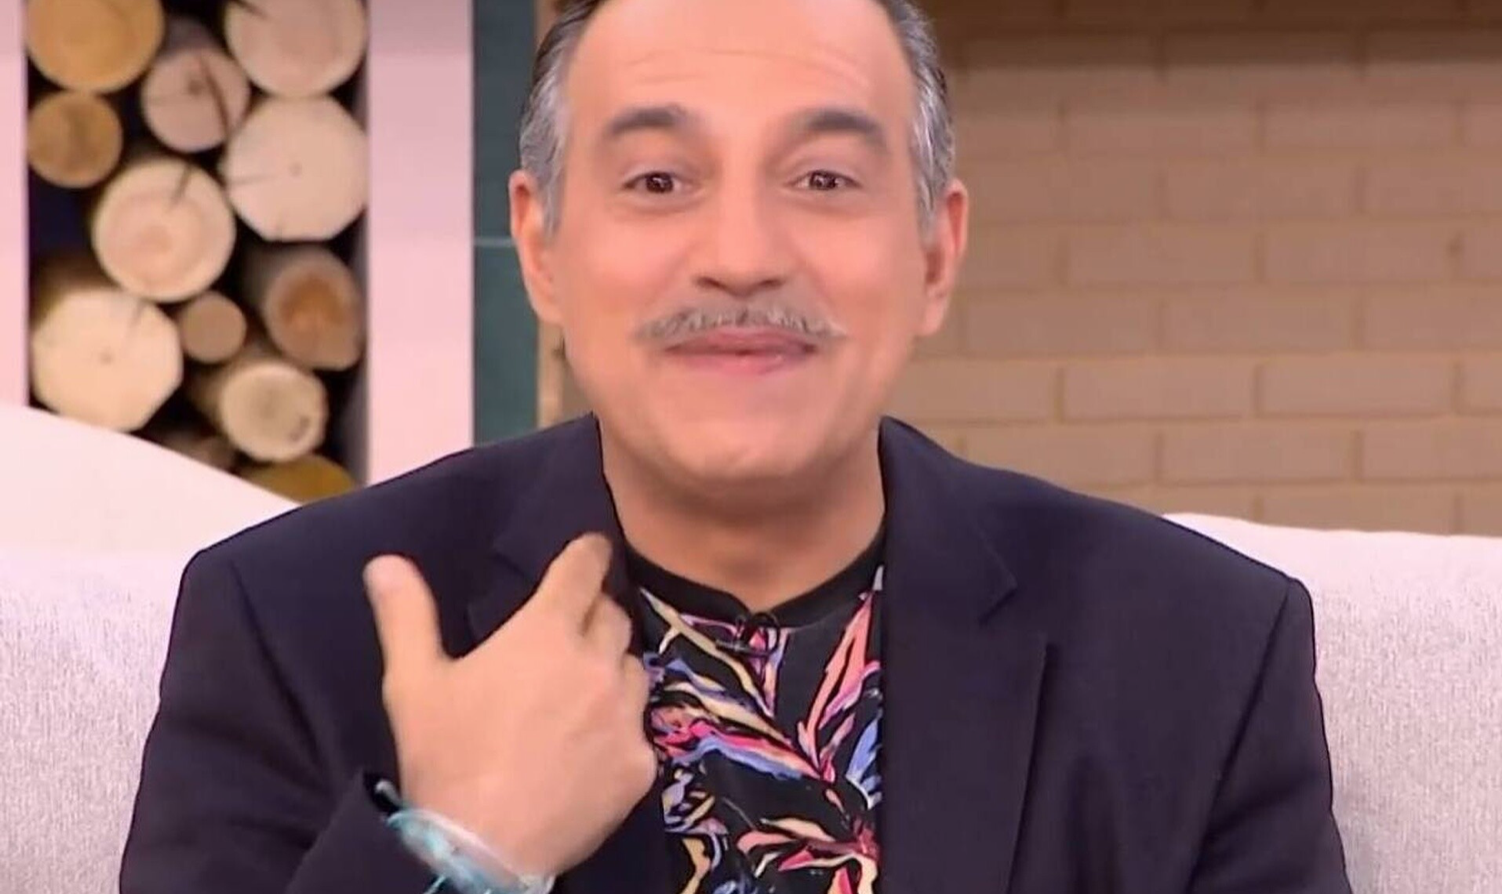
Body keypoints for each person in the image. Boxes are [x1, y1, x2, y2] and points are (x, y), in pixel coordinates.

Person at [120, 0, 1353, 891]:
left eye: (822, 180)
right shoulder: (288, 627)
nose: (742, 255)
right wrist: (460, 854)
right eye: (659, 182)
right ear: (542, 248)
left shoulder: (1197, 651)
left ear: (934, 253)